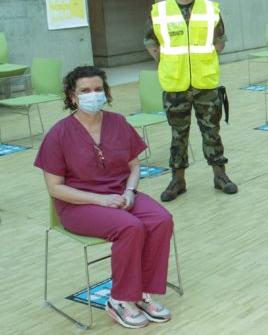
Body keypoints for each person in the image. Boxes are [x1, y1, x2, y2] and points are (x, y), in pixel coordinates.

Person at [35, 66, 174, 329]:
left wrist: (130, 192)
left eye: (98, 89)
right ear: (72, 96)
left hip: (121, 195)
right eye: (85, 91)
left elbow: (134, 166)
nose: (93, 95)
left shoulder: (119, 123)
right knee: (129, 227)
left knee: (161, 219)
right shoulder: (58, 134)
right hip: (79, 205)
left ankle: (142, 293)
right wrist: (101, 200)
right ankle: (120, 299)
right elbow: (55, 188)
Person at [145, 0, 237, 202]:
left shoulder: (209, 8)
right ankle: (178, 179)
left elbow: (219, 42)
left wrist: (202, 62)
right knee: (178, 134)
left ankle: (220, 175)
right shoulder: (159, 11)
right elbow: (151, 43)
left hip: (205, 83)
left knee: (212, 131)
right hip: (175, 85)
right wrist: (168, 63)